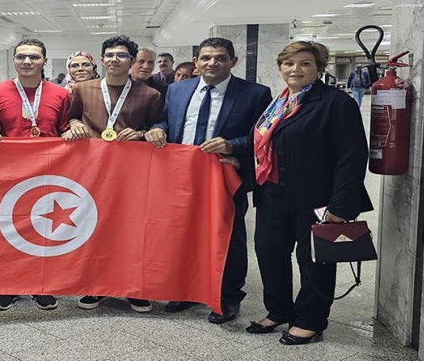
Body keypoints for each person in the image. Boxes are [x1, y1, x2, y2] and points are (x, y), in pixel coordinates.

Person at [250, 42, 372, 344]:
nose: (295, 69)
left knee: (314, 260)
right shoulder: (280, 101)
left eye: (305, 63)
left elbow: (352, 155)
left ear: (319, 69)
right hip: (273, 193)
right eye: (289, 63)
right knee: (269, 252)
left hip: (317, 198)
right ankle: (278, 310)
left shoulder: (335, 103)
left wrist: (340, 206)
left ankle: (310, 320)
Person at [146, 38, 272, 324]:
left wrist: (232, 145)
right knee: (183, 234)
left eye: (220, 58)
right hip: (181, 178)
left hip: (223, 176)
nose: (212, 63)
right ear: (196, 61)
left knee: (228, 236)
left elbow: (262, 137)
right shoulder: (177, 90)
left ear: (233, 61)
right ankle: (186, 290)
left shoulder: (254, 93)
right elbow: (165, 120)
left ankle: (228, 297)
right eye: (205, 58)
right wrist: (157, 129)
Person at [65, 35, 163, 313]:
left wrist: (142, 133)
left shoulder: (150, 94)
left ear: (131, 61)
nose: (114, 60)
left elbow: (156, 126)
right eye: (109, 55)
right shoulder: (83, 89)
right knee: (94, 228)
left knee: (130, 230)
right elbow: (71, 117)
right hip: (92, 171)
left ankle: (134, 288)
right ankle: (95, 286)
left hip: (130, 174)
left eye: (121, 55)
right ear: (102, 59)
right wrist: (74, 124)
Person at [0, 39, 70, 312]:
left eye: (34, 57)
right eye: (21, 56)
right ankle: (8, 285)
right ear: (13, 60)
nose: (27, 62)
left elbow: (64, 128)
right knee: (7, 229)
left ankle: (39, 285)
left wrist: (73, 130)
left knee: (41, 230)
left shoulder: (61, 94)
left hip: (47, 172)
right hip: (7, 173)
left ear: (44, 61)